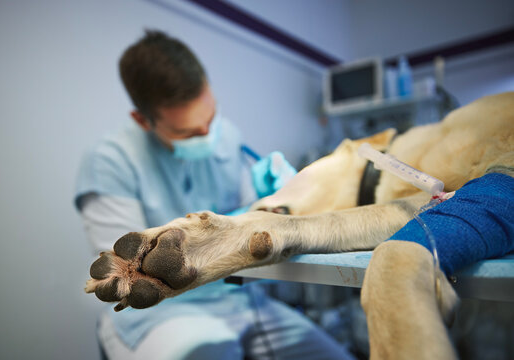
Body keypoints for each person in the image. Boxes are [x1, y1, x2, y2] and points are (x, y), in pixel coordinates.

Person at [75, 30, 355, 360]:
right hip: (161, 315)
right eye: (188, 132)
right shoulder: (109, 162)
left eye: (211, 119)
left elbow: (258, 221)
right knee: (214, 351)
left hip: (241, 301)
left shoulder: (227, 137)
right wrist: (220, 230)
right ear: (142, 120)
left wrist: (276, 201)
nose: (208, 136)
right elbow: (125, 276)